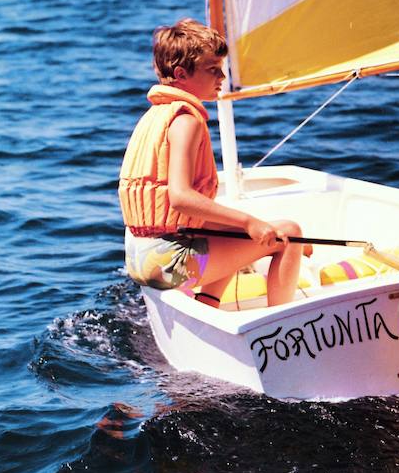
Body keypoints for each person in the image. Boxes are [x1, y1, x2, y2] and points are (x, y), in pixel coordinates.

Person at [119, 18, 306, 307]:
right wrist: (249, 222)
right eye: (212, 69)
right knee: (290, 234)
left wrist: (249, 227)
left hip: (139, 255)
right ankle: (281, 324)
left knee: (241, 231)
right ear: (181, 74)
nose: (222, 76)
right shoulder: (186, 122)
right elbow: (180, 197)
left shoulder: (155, 115)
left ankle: (208, 304)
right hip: (167, 262)